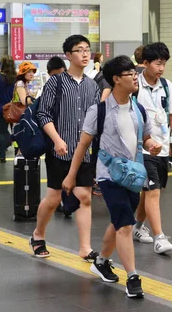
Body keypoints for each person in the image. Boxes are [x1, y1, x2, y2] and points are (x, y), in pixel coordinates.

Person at [62, 55, 162, 299]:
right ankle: (133, 277)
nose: (135, 78)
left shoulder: (138, 108)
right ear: (116, 79)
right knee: (126, 224)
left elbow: (145, 137)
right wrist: (71, 175)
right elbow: (82, 145)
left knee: (120, 220)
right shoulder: (99, 110)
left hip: (134, 175)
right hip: (109, 176)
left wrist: (152, 144)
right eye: (130, 75)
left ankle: (102, 261)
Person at [31, 35, 100, 260]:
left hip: (85, 153)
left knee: (84, 196)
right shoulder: (56, 82)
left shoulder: (92, 86)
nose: (85, 54)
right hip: (59, 152)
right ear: (68, 55)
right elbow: (43, 113)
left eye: (87, 50)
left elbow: (96, 118)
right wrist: (57, 139)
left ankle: (85, 248)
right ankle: (38, 235)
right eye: (79, 50)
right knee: (53, 198)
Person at [133, 42, 172, 254]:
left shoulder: (167, 86)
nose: (161, 67)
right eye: (157, 63)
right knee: (153, 191)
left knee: (148, 193)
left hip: (162, 148)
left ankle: (137, 227)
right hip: (142, 149)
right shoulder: (134, 85)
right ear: (145, 63)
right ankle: (159, 237)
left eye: (164, 63)